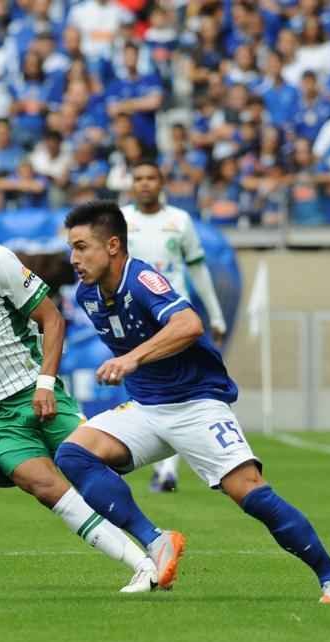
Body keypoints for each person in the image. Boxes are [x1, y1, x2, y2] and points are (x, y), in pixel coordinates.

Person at [52, 201, 330, 605]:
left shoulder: (141, 278)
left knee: (251, 493)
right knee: (74, 454)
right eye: (71, 248)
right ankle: (157, 541)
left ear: (112, 245)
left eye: (82, 247)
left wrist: (133, 357)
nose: (74, 258)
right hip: (147, 408)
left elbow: (189, 325)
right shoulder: (89, 293)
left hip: (196, 405)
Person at [0, 170, 183, 594]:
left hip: (34, 390)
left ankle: (157, 529)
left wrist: (46, 384)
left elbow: (51, 319)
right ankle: (143, 564)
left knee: (94, 465)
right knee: (44, 486)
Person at [121, 161, 227, 494]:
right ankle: (164, 467)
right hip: (136, 317)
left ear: (162, 183)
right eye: (138, 179)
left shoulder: (180, 221)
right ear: (131, 184)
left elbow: (198, 269)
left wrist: (216, 314)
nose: (145, 184)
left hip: (173, 317)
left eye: (151, 178)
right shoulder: (121, 221)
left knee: (177, 391)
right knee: (149, 393)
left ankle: (167, 471)